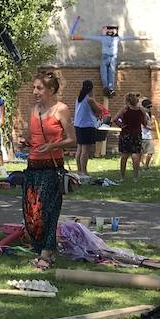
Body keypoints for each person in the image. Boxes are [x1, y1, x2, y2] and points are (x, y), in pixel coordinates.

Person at [23, 70, 76, 271]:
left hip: (51, 168)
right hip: (32, 166)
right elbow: (33, 138)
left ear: (51, 90)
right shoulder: (33, 110)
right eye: (34, 88)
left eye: (39, 88)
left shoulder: (61, 109)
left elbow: (72, 139)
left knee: (47, 211)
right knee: (30, 212)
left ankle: (47, 252)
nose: (35, 92)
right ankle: (41, 248)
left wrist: (52, 146)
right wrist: (26, 142)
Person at [72, 79, 107, 175]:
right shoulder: (90, 99)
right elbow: (99, 110)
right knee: (85, 151)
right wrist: (94, 98)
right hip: (87, 126)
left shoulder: (79, 98)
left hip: (78, 125)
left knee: (79, 149)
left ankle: (79, 170)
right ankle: (84, 171)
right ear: (91, 89)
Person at [112, 92, 148, 180]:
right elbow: (145, 123)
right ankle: (135, 176)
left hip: (126, 134)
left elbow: (115, 119)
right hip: (137, 134)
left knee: (124, 156)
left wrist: (121, 125)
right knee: (136, 156)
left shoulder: (125, 109)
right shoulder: (141, 110)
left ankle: (122, 176)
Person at [100, 26, 120, 95]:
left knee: (105, 73)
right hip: (111, 57)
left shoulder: (104, 38)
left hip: (107, 57)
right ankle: (110, 89)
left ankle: (107, 88)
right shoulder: (116, 38)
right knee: (110, 74)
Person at [140, 97, 158, 168]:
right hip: (143, 136)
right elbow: (147, 125)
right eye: (148, 107)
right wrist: (152, 122)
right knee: (142, 152)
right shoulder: (143, 115)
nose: (149, 108)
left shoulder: (147, 114)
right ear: (143, 107)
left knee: (150, 152)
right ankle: (141, 165)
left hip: (147, 136)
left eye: (150, 107)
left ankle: (146, 166)